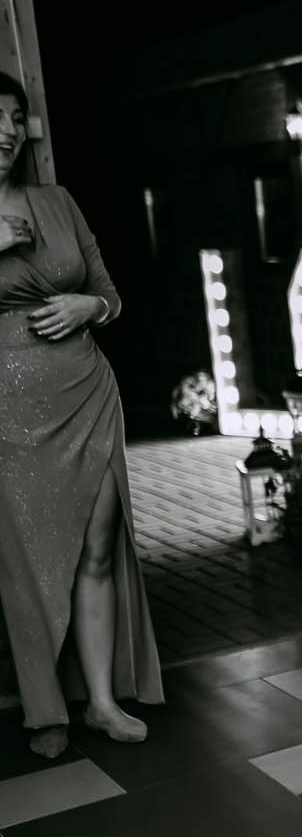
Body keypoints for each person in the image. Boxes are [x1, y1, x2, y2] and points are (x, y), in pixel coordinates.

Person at [0, 73, 162, 757]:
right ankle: (45, 710)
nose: (7, 131)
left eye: (16, 117)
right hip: (7, 411)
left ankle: (100, 702)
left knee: (97, 549)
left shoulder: (57, 201)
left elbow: (109, 293)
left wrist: (88, 307)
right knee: (25, 562)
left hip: (87, 393)